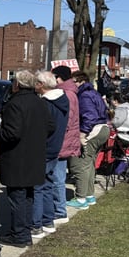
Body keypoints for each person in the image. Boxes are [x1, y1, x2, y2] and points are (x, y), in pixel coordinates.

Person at [0, 70, 53, 248]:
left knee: (18, 197)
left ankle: (20, 234)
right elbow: (51, 126)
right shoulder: (40, 102)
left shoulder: (14, 104)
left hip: (17, 158)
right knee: (27, 196)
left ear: (17, 84)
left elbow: (12, 133)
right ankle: (23, 232)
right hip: (34, 155)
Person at [30, 71, 68, 239]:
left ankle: (36, 225)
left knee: (38, 187)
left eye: (36, 82)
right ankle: (48, 221)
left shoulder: (45, 104)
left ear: (41, 85)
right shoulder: (63, 99)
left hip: (44, 148)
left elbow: (42, 128)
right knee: (47, 184)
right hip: (55, 147)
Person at [66, 71, 110, 209]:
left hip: (92, 131)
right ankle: (89, 195)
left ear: (81, 81)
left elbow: (89, 116)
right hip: (102, 129)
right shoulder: (94, 93)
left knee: (81, 165)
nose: (72, 85)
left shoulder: (84, 95)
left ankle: (81, 198)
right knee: (89, 164)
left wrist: (82, 134)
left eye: (74, 82)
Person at [52, 66, 81, 225]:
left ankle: (60, 211)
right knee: (57, 176)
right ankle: (58, 209)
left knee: (57, 177)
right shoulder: (69, 92)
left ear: (59, 77)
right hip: (65, 140)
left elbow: (65, 121)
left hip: (62, 141)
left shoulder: (67, 94)